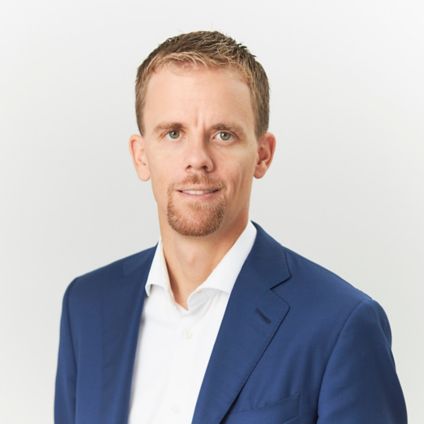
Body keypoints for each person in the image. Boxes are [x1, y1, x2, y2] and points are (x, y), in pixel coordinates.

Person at [54, 30, 407, 424]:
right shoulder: (87, 306)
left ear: (262, 155)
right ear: (141, 156)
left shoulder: (341, 324)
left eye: (223, 135)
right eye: (173, 133)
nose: (197, 159)